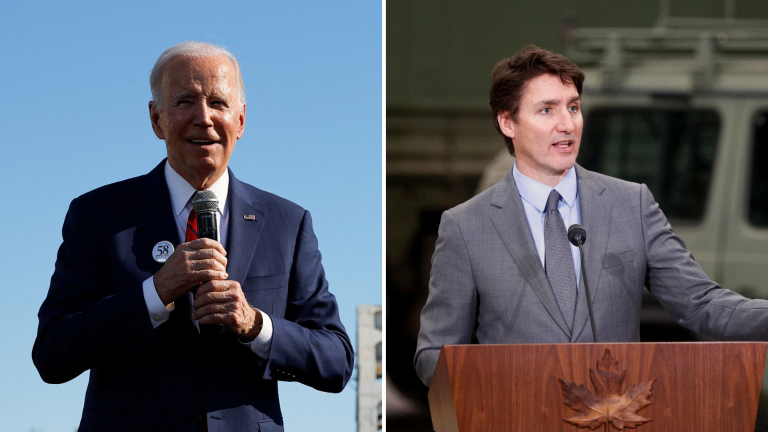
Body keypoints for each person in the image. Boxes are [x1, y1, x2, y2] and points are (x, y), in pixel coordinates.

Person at [33, 42, 353, 431]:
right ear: (156, 119)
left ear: (241, 120)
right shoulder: (98, 215)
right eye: (185, 101)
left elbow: (336, 360)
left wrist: (255, 324)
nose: (203, 118)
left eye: (218, 102)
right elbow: (53, 353)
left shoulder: (288, 223)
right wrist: (155, 292)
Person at [414, 45, 768, 387]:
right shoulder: (465, 226)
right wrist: (499, 382)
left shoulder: (633, 205)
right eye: (547, 110)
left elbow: (704, 306)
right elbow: (433, 354)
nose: (567, 124)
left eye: (573, 107)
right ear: (508, 122)